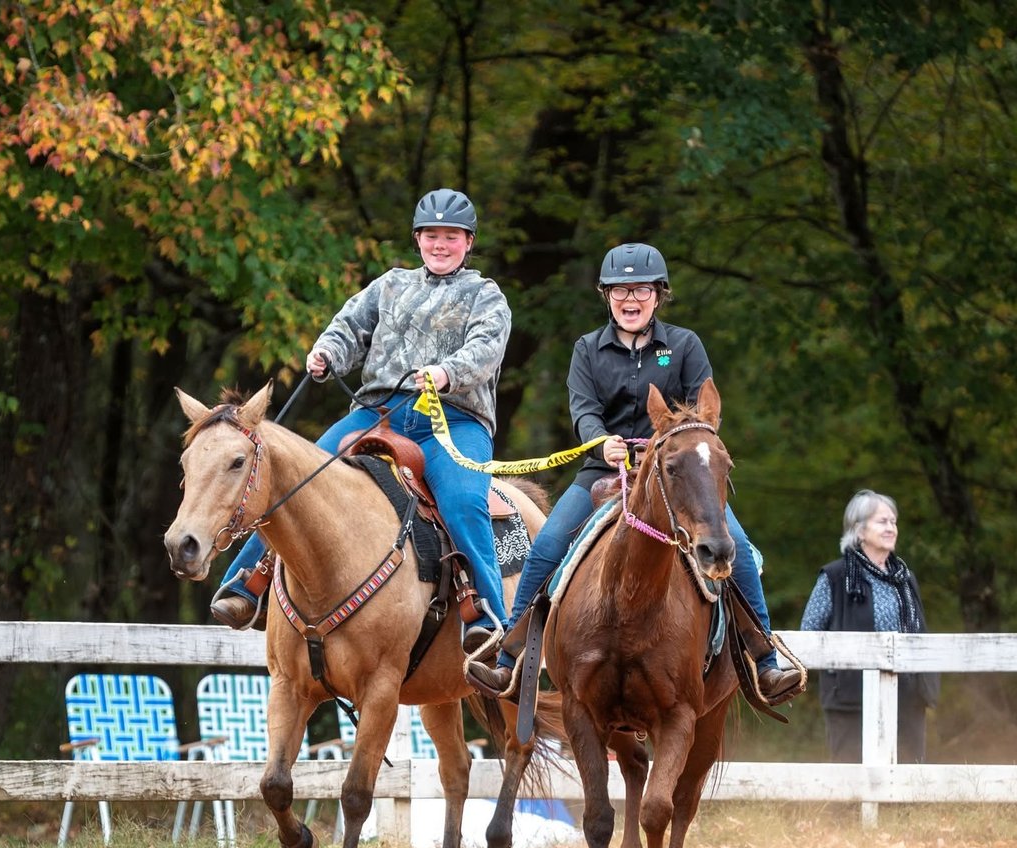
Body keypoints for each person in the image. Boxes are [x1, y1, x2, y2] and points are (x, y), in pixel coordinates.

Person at [466, 242, 802, 703]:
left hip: (676, 475)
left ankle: (765, 660)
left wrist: (671, 445)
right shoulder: (586, 349)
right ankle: (510, 657)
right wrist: (601, 441)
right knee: (546, 544)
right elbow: (583, 410)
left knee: (736, 544)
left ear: (658, 295)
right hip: (602, 472)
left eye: (640, 289)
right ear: (606, 295)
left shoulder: (684, 345)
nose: (630, 299)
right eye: (620, 290)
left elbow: (701, 414)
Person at [210, 187, 511, 657]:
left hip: (452, 419)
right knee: (297, 475)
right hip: (378, 414)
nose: (440, 245)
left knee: (463, 501)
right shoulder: (390, 285)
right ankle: (246, 585)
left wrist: (446, 372)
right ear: (417, 239)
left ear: (468, 243)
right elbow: (349, 326)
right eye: (431, 235)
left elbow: (486, 349)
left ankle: (488, 617)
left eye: (451, 236)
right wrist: (329, 352)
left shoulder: (485, 295)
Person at [799, 488, 940, 763]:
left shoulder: (904, 579)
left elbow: (921, 634)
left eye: (893, 521)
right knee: (851, 775)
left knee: (907, 773)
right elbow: (809, 634)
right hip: (850, 697)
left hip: (907, 695)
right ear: (860, 531)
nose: (890, 528)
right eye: (882, 521)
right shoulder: (836, 577)